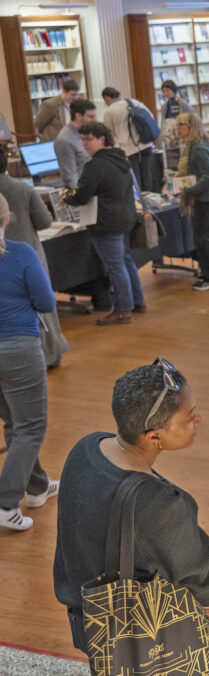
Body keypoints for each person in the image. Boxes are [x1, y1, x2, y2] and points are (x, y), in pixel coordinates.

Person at [53, 359, 209, 676]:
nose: (198, 418)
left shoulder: (86, 449)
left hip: (96, 623)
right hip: (157, 638)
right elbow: (199, 573)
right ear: (155, 436)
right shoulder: (158, 503)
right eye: (189, 416)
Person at [0, 194, 58, 531]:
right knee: (31, 426)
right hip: (18, 348)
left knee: (14, 423)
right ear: (8, 219)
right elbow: (46, 301)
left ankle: (36, 487)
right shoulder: (20, 253)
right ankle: (6, 503)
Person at [64, 122, 144, 326]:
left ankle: (123, 310)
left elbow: (82, 195)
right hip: (125, 217)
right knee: (125, 262)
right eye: (81, 139)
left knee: (116, 267)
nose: (84, 144)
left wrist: (68, 197)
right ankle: (137, 301)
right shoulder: (120, 158)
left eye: (88, 139)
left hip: (106, 222)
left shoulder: (94, 166)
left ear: (102, 139)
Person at [0, 147, 70, 367]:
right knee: (42, 304)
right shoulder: (23, 189)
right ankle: (51, 353)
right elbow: (44, 222)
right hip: (28, 251)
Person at [175, 112, 209, 291]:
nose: (178, 128)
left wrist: (189, 191)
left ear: (192, 127)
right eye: (178, 124)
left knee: (203, 237)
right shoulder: (199, 145)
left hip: (207, 197)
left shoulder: (198, 148)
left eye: (182, 124)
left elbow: (208, 177)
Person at [101, 87, 158, 193]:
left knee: (135, 181)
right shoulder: (133, 102)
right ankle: (151, 203)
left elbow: (109, 132)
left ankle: (141, 206)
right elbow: (151, 116)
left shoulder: (109, 111)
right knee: (148, 177)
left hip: (128, 149)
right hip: (146, 144)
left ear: (107, 98)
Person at [54, 98, 96, 189]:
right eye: (90, 117)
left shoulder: (87, 132)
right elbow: (70, 178)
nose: (94, 120)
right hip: (85, 194)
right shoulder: (64, 140)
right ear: (78, 116)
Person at [158, 80, 194, 170]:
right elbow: (163, 123)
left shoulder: (183, 104)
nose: (165, 93)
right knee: (171, 166)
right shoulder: (165, 106)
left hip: (182, 140)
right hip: (169, 140)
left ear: (173, 90)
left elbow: (192, 118)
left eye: (167, 91)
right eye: (164, 91)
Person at [34, 78, 79, 142]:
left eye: (77, 95)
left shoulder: (77, 104)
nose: (75, 98)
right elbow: (38, 124)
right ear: (64, 91)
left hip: (70, 142)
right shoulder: (50, 104)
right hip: (53, 142)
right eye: (73, 95)